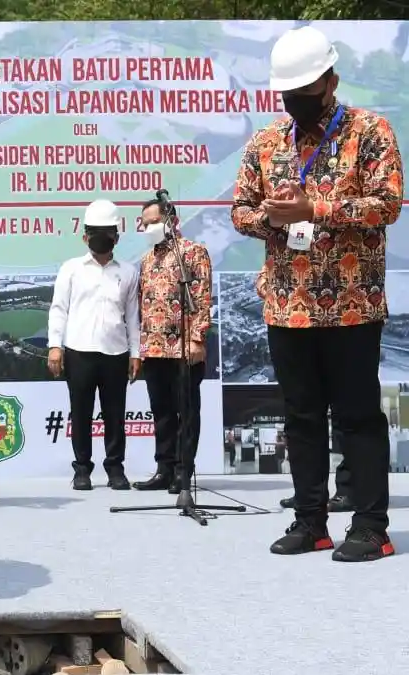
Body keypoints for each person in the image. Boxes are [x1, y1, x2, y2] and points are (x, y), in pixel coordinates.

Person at [232, 26, 401, 561]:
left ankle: (371, 526)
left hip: (352, 304)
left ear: (331, 81)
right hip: (288, 305)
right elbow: (240, 210)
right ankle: (311, 522)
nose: (296, 102)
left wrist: (317, 210)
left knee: (358, 417)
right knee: (300, 418)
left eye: (305, 91)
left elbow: (388, 204)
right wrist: (271, 218)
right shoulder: (266, 142)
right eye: (288, 93)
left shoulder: (370, 133)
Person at [47, 200, 141, 491]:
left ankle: (115, 469)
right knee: (82, 413)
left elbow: (133, 316)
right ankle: (82, 470)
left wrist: (136, 353)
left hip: (116, 352)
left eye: (107, 231)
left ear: (117, 236)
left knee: (115, 415)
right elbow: (58, 308)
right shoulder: (71, 269)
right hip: (78, 351)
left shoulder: (128, 272)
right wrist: (54, 346)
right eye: (95, 231)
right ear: (84, 236)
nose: (101, 237)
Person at [132, 200, 212, 494]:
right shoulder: (146, 259)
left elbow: (202, 297)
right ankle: (164, 469)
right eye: (143, 223)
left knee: (186, 411)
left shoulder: (193, 253)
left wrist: (196, 338)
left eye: (152, 222)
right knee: (162, 412)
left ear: (171, 221)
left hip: (183, 347)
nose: (146, 228)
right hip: (154, 348)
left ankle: (183, 470)